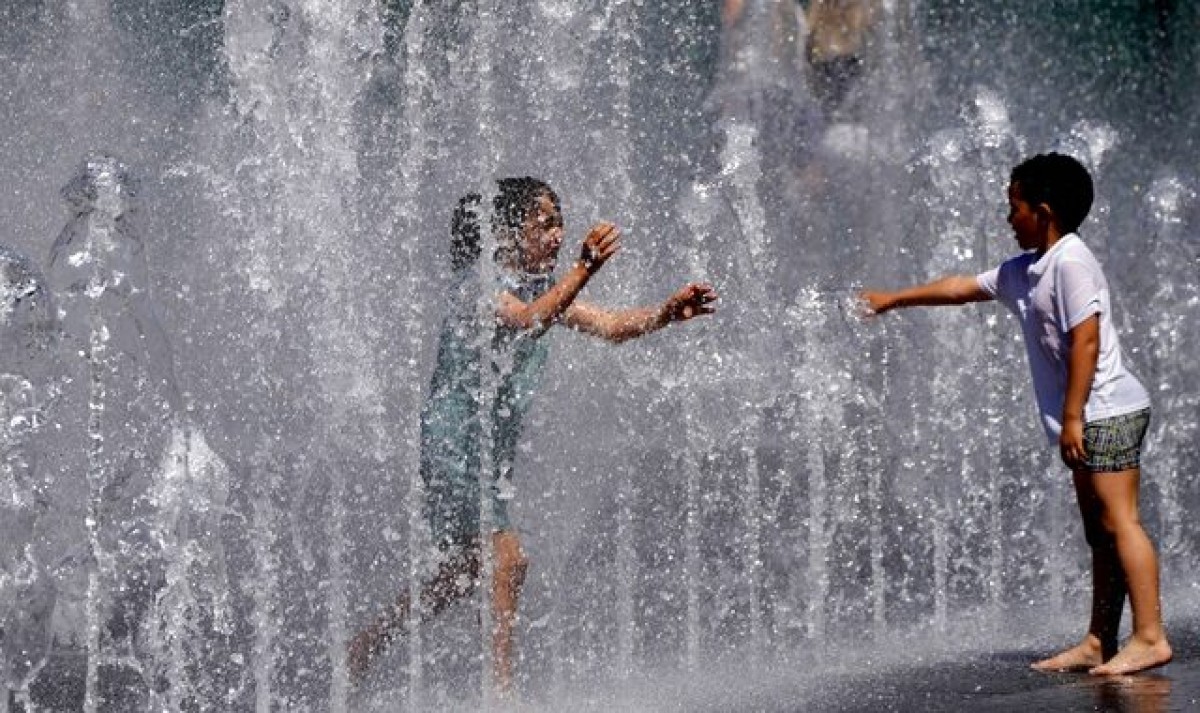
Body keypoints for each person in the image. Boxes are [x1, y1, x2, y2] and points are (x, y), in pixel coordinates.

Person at [348, 177, 718, 693]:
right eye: (542, 222)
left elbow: (609, 326)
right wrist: (584, 269)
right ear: (504, 235)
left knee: (465, 573)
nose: (557, 232)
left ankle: (367, 644)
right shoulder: (477, 284)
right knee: (507, 558)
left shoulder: (544, 292)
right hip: (454, 443)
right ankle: (500, 694)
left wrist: (663, 315)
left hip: (487, 448)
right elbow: (525, 321)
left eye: (559, 221)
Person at [859, 153, 1172, 676]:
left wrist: (1072, 417)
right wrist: (893, 299)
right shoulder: (1027, 270)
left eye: (1014, 207)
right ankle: (1100, 640)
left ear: (1043, 212)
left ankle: (1150, 636)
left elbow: (1087, 342)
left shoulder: (1071, 261)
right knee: (1100, 532)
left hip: (1107, 410)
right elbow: (961, 288)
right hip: (1086, 418)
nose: (1008, 219)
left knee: (1122, 522)